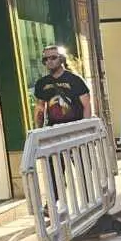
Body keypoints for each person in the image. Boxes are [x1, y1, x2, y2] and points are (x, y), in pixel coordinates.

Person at [33, 45, 92, 208]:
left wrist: (85, 127)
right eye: (46, 59)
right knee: (54, 169)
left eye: (53, 57)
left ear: (61, 59)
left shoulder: (75, 80)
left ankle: (89, 198)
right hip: (54, 132)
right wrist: (38, 131)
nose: (49, 62)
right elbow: (40, 107)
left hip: (75, 130)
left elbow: (86, 104)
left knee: (82, 166)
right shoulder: (42, 83)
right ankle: (52, 203)